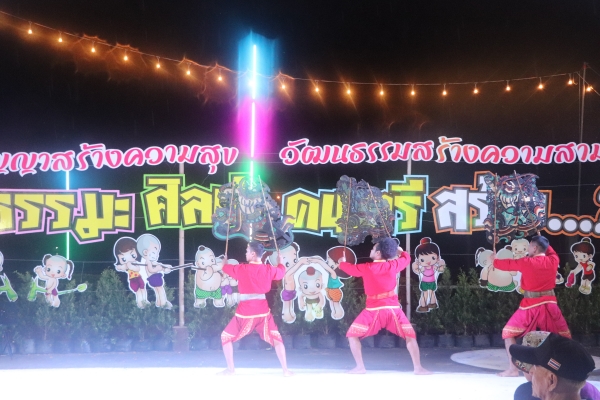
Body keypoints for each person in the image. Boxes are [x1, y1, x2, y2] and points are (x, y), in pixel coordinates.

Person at [338, 237, 431, 374]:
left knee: (352, 335)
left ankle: (360, 367)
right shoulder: (393, 265)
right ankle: (418, 368)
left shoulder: (367, 268)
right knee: (410, 336)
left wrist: (342, 263)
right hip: (392, 310)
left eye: (373, 248)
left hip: (372, 311)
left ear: (378, 253)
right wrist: (401, 252)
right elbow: (406, 259)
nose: (370, 250)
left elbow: (351, 270)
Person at [492, 235, 571, 377]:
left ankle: (513, 369)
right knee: (563, 337)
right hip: (550, 305)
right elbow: (549, 250)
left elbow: (507, 264)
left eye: (529, 246)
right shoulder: (554, 260)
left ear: (534, 248)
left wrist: (495, 261)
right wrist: (541, 238)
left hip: (530, 307)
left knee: (508, 333)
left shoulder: (527, 262)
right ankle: (566, 370)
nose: (528, 249)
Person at [219, 241, 293, 376]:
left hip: (245, 311)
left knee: (225, 336)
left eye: (247, 251)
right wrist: (280, 262)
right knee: (276, 338)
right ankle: (285, 370)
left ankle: (231, 369)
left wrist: (225, 262)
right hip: (262, 311)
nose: (245, 253)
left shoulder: (242, 269)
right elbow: (281, 272)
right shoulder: (268, 269)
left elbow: (225, 268)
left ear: (253, 254)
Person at [513, 331, 600, 400]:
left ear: (551, 381)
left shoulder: (524, 393)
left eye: (535, 366)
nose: (531, 372)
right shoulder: (590, 394)